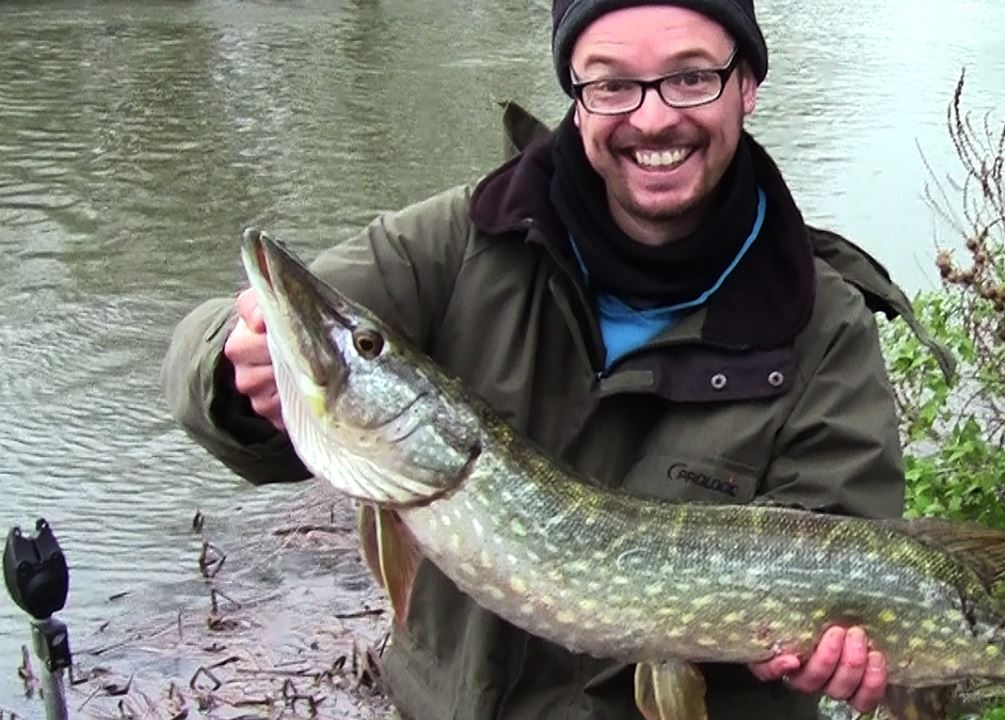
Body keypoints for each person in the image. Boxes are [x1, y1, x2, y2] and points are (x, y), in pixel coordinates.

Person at [162, 1, 941, 717]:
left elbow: (847, 531)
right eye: (612, 85)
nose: (654, 117)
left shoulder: (822, 322)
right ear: (576, 94)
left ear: (748, 87)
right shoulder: (460, 242)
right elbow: (209, 351)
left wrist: (845, 653)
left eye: (692, 76)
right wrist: (234, 372)